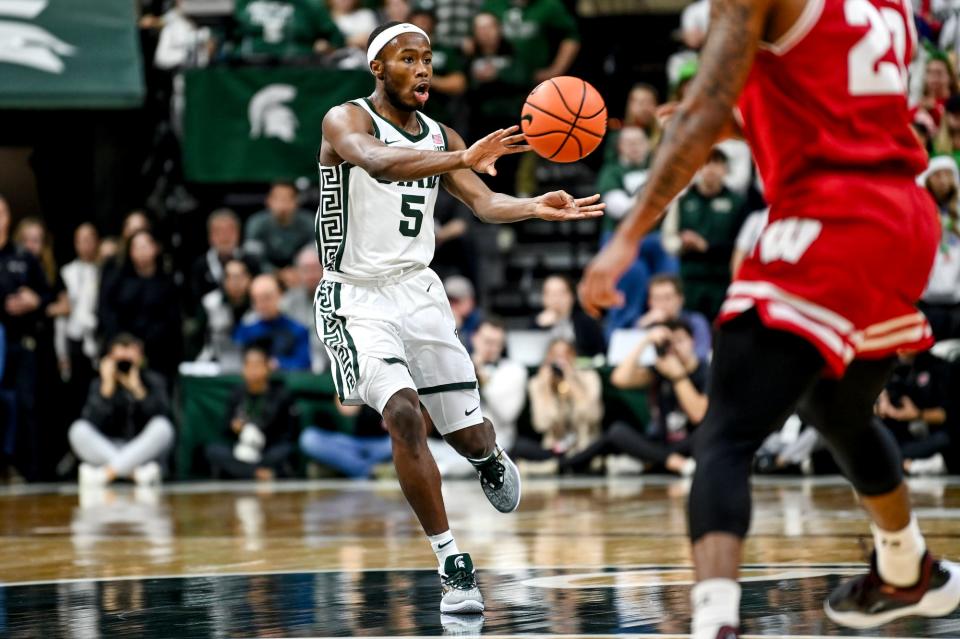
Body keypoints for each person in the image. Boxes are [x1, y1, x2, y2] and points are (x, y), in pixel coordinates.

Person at [578, 0, 959, 634]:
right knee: (836, 410)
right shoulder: (885, 4)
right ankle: (905, 566)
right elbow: (836, 103)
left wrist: (626, 237)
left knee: (726, 433)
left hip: (830, 214)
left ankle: (714, 623)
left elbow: (699, 113)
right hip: (903, 219)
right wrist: (742, 120)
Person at [315, 20, 603, 614]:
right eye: (407, 59)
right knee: (402, 413)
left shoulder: (442, 134)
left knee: (468, 433)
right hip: (356, 296)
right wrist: (457, 155)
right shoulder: (344, 120)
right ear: (378, 69)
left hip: (419, 294)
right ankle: (451, 561)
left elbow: (484, 201)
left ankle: (488, 459)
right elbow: (377, 163)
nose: (423, 68)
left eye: (428, 58)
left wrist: (536, 207)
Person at [563, 320, 702, 476]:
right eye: (670, 343)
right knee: (617, 431)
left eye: (680, 341)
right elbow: (619, 379)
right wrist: (646, 340)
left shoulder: (704, 370)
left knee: (705, 433)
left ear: (693, 341)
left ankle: (652, 461)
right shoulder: (660, 370)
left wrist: (678, 377)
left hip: (692, 443)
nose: (675, 347)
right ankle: (672, 462)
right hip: (662, 443)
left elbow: (698, 415)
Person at [68, 334, 174, 487]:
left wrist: (138, 390)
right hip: (108, 447)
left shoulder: (153, 381)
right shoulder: (100, 384)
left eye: (128, 361)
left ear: (140, 358)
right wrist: (107, 389)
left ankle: (105, 474)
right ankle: (135, 473)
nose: (124, 365)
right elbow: (91, 422)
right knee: (77, 429)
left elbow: (161, 418)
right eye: (120, 361)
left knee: (163, 426)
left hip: (142, 449)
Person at [661, 147, 747, 320]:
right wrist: (681, 244)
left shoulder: (738, 203)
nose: (711, 169)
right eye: (706, 163)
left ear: (725, 170)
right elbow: (668, 238)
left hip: (722, 280)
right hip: (690, 279)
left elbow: (742, 245)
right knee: (691, 329)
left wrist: (706, 246)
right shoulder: (684, 200)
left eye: (717, 164)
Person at [98, 230, 183, 385]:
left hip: (158, 353)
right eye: (136, 247)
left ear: (155, 248)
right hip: (121, 350)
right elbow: (108, 313)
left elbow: (171, 320)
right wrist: (124, 343)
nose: (141, 251)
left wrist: (143, 344)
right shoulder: (119, 282)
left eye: (145, 245)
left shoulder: (167, 283)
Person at [205, 343, 298, 480]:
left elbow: (288, 433)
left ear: (267, 367)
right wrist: (234, 427)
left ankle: (242, 472)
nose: (253, 370)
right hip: (241, 449)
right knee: (213, 450)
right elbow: (225, 428)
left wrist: (257, 430)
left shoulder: (280, 394)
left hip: (268, 449)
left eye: (257, 365)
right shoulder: (237, 393)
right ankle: (257, 473)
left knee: (285, 452)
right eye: (249, 365)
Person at [516, 338, 602, 463]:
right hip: (554, 451)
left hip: (585, 448)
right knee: (520, 447)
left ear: (574, 356)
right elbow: (542, 424)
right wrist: (545, 390)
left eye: (565, 355)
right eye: (555, 355)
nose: (560, 360)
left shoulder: (590, 378)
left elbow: (592, 416)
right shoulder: (537, 383)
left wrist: (572, 381)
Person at [58, 224, 102, 424]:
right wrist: (61, 353)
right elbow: (62, 315)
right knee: (78, 395)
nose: (85, 244)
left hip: (100, 339)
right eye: (80, 239)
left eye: (89, 238)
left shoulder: (104, 271)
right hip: (75, 340)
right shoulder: (67, 272)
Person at [917, 156, 960, 340]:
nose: (943, 181)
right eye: (938, 175)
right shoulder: (920, 213)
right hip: (927, 303)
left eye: (947, 175)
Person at [234, 274, 311, 371]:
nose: (262, 304)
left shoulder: (298, 330)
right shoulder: (246, 330)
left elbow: (304, 364)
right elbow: (235, 363)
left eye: (267, 298)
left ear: (279, 295)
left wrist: (278, 364)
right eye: (256, 299)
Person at [243, 181, 316, 283]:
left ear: (296, 201)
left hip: (300, 275)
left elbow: (315, 252)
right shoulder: (256, 223)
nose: (282, 204)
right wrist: (277, 273)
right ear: (268, 201)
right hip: (266, 276)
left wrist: (297, 271)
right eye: (277, 199)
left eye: (287, 199)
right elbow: (252, 257)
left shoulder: (309, 221)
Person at [299, 400, 393, 478]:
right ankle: (368, 471)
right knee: (309, 439)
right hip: (346, 444)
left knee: (396, 442)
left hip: (380, 445)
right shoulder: (342, 382)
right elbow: (348, 409)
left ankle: (358, 469)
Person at [196, 257, 257, 371]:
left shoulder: (258, 304)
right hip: (214, 361)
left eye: (239, 277)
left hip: (251, 363)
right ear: (223, 281)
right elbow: (198, 337)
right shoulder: (210, 303)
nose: (235, 282)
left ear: (249, 279)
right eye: (230, 277)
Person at [637, 274, 711, 362]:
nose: (662, 303)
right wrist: (643, 323)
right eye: (656, 298)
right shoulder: (645, 324)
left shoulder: (695, 321)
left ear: (680, 299)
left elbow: (702, 354)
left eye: (667, 298)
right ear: (649, 302)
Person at [280, 246, 329, 372]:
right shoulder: (287, 303)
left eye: (315, 269)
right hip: (297, 368)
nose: (311, 275)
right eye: (306, 270)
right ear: (298, 273)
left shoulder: (339, 299)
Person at [532, 275, 605, 357]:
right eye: (550, 294)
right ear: (543, 298)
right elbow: (531, 355)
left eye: (560, 293)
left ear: (572, 296)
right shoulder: (537, 323)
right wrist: (541, 328)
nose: (556, 299)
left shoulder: (587, 323)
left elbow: (600, 355)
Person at [189, 209, 251, 307]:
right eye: (218, 231)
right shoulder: (200, 265)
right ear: (210, 236)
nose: (224, 237)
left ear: (238, 233)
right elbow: (194, 300)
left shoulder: (250, 261)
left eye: (229, 230)